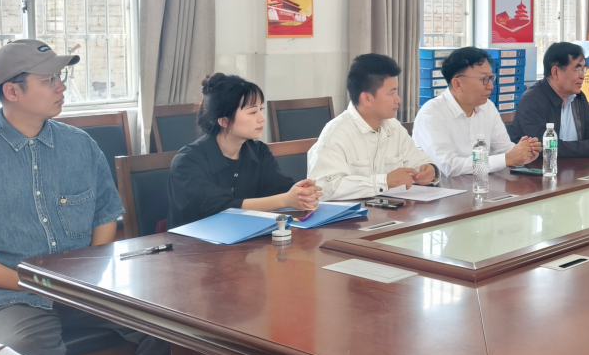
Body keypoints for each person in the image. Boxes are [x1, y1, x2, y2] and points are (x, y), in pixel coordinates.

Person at [0, 40, 174, 355]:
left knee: (171, 327)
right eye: (49, 80)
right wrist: (35, 283)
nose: (61, 87)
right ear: (12, 91)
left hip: (80, 291)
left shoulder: (80, 146)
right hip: (3, 298)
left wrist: (86, 273)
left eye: (60, 77)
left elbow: (104, 215)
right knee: (21, 352)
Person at [168, 74, 321, 228]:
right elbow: (219, 208)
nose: (262, 118)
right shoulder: (187, 161)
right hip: (198, 240)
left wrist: (301, 192)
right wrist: (285, 200)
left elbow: (279, 188)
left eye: (260, 109)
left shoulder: (259, 151)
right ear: (224, 121)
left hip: (248, 236)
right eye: (253, 112)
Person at [307, 53, 438, 199]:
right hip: (354, 214)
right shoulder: (336, 134)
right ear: (367, 98)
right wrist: (384, 181)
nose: (398, 99)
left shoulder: (394, 128)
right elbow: (324, 189)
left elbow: (419, 162)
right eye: (391, 93)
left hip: (393, 210)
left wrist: (430, 171)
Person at [412, 47, 539, 176]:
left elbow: (502, 149)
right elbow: (449, 166)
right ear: (457, 84)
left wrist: (524, 152)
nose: (491, 86)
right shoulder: (431, 114)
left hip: (483, 183)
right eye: (484, 79)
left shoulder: (487, 106)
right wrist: (508, 158)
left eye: (491, 78)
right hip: (444, 187)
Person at [508, 42, 589, 157]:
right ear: (555, 72)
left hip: (577, 166)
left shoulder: (578, 97)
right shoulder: (532, 100)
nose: (582, 76)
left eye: (584, 69)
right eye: (578, 69)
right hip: (541, 167)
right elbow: (545, 147)